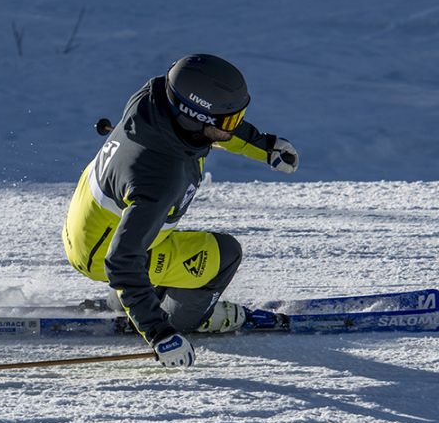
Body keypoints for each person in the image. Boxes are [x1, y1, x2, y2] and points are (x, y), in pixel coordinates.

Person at [61, 54, 300, 368]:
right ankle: (188, 317)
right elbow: (120, 260)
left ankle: (140, 294)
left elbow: (215, 128)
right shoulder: (160, 177)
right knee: (223, 255)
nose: (234, 128)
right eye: (229, 122)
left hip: (87, 220)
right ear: (192, 118)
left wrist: (265, 146)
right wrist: (160, 333)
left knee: (165, 241)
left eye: (237, 118)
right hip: (102, 251)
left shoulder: (157, 98)